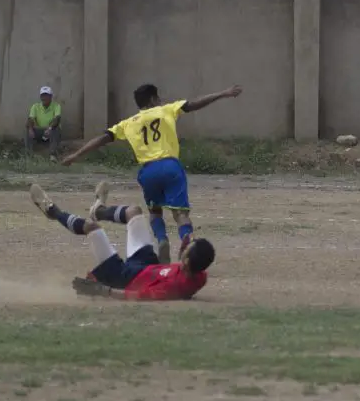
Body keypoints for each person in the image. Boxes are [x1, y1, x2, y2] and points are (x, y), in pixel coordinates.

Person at [60, 83, 242, 263]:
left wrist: (76, 155)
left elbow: (101, 139)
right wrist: (223, 93)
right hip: (170, 167)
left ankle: (162, 240)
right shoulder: (166, 110)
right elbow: (194, 104)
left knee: (155, 212)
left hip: (148, 172)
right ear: (154, 99)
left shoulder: (128, 123)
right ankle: (186, 240)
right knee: (181, 214)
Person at [29, 181, 215, 301]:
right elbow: (190, 274)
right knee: (134, 211)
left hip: (124, 277)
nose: (185, 246)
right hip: (147, 265)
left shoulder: (173, 288)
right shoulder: (199, 274)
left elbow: (138, 296)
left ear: (187, 261)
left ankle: (53, 212)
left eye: (187, 248)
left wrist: (103, 291)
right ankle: (99, 210)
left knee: (92, 228)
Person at [26, 86, 62, 161]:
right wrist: (30, 129)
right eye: (42, 96)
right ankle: (29, 155)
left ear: (51, 96)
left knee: (56, 129)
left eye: (46, 96)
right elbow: (30, 119)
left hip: (50, 130)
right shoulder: (35, 106)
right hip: (40, 131)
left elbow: (57, 119)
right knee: (28, 129)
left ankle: (52, 155)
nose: (44, 98)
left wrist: (49, 128)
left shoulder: (56, 106)